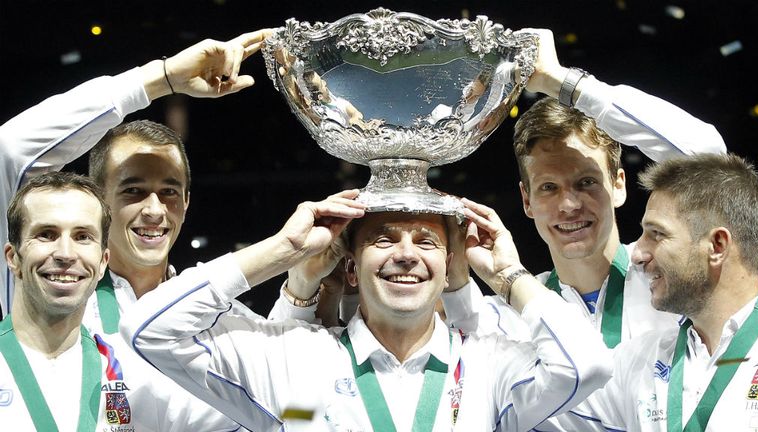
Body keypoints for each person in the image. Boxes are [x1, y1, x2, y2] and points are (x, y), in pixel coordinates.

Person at [121, 189, 613, 431]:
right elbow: (148, 329)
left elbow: (586, 365)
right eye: (384, 239)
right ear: (352, 269)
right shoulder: (294, 357)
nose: (405, 254)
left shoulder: (489, 365)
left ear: (448, 267)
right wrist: (281, 250)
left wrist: (509, 276)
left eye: (426, 242)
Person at [438, 28, 727, 345]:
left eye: (586, 182)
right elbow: (461, 352)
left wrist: (562, 83)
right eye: (548, 187)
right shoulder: (511, 317)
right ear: (527, 200)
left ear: (618, 186)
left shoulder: (674, 278)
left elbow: (709, 158)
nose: (569, 204)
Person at [0, 29, 269, 319]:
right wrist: (160, 79)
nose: (155, 210)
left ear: (186, 201)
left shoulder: (219, 317)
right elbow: (12, 150)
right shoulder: (45, 291)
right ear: (99, 200)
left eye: (169, 192)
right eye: (133, 191)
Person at [0, 172, 242, 430]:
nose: (66, 254)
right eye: (46, 234)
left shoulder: (135, 370)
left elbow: (263, 413)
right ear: (13, 257)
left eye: (83, 237)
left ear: (103, 261)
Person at [554, 153, 758, 430]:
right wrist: (508, 277)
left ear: (716, 245)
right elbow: (527, 399)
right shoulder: (640, 360)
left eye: (657, 234)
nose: (638, 254)